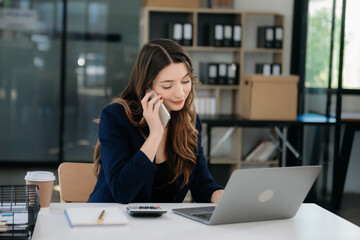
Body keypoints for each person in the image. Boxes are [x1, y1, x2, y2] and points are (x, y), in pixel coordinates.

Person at [88, 39, 224, 204]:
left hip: (162, 226)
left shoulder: (190, 122)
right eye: (167, 86)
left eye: (186, 81)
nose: (180, 94)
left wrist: (223, 197)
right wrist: (156, 134)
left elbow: (202, 185)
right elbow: (122, 192)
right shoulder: (116, 117)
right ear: (148, 89)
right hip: (113, 221)